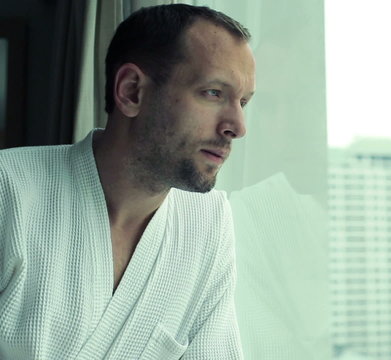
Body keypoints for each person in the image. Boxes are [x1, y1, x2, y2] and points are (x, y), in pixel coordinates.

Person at [0, 4, 255, 359]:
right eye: (213, 93)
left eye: (243, 102)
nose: (238, 126)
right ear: (132, 91)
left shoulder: (208, 222)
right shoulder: (9, 191)